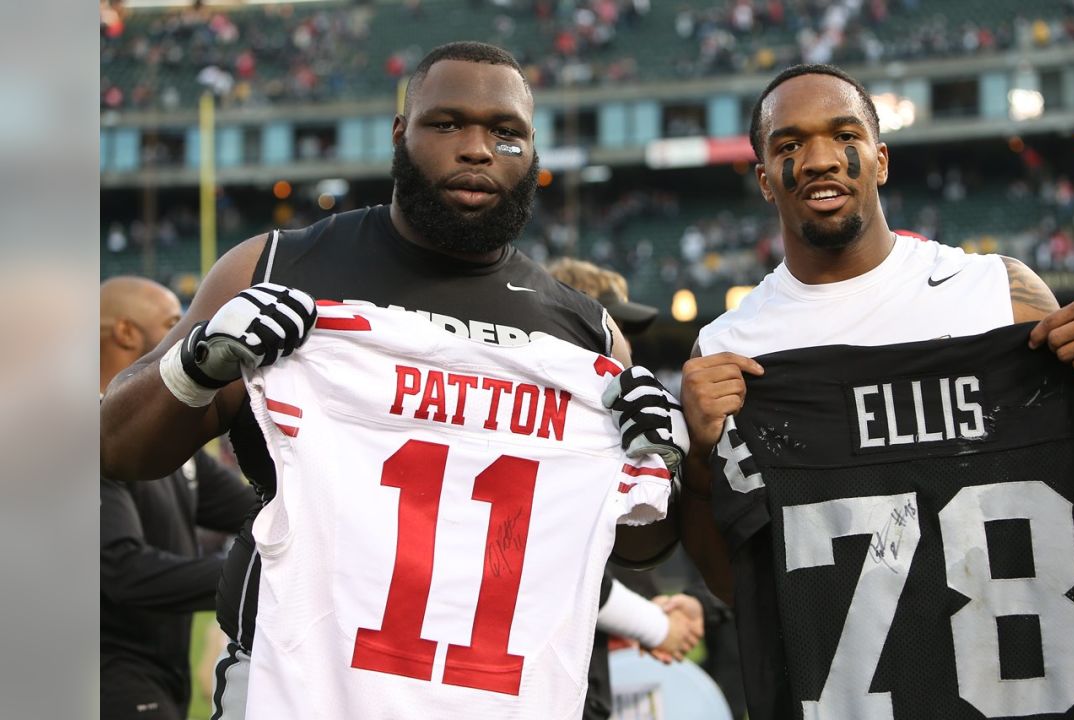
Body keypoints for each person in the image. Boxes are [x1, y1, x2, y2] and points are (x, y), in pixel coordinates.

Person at [100, 42, 684, 719]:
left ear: (533, 150)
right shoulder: (277, 269)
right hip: (302, 688)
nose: (477, 149)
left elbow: (637, 541)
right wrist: (197, 363)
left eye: (506, 133)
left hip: (495, 698)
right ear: (401, 133)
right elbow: (118, 447)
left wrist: (661, 463)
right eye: (447, 124)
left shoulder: (585, 336)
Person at [678, 64, 1074, 719]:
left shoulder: (999, 293)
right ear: (764, 178)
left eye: (843, 135)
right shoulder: (732, 346)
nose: (820, 160)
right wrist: (703, 462)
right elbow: (741, 585)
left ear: (879, 160)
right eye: (789, 146)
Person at [547, 257, 705, 719]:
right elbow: (559, 570)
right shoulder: (556, 429)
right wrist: (656, 626)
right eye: (613, 327)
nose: (626, 346)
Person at [99, 276, 258, 720]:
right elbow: (120, 571)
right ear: (126, 332)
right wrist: (256, 577)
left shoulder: (165, 442)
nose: (187, 332)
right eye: (174, 321)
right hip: (106, 672)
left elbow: (255, 506)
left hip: (160, 667)